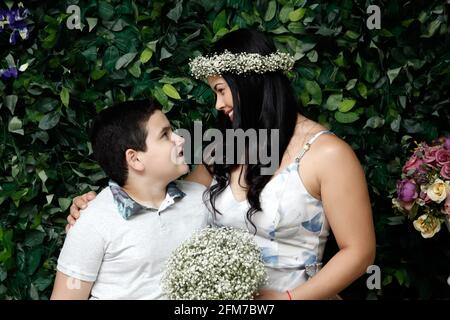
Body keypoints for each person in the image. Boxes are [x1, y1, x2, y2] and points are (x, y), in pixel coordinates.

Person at [68, 28, 376, 300]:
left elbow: (359, 252)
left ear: (249, 84)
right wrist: (102, 207)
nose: (218, 104)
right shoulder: (224, 147)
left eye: (221, 90)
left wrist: (289, 298)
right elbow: (168, 202)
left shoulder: (327, 154)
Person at [51, 99, 209, 299]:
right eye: (165, 135)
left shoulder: (199, 199)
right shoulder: (93, 220)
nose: (180, 139)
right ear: (135, 159)